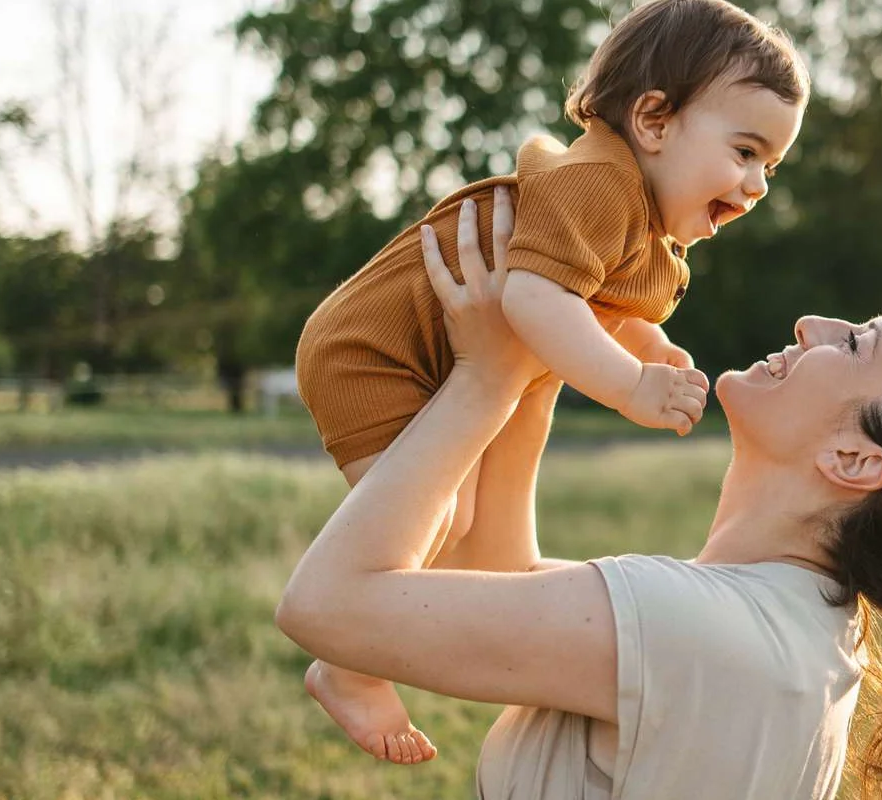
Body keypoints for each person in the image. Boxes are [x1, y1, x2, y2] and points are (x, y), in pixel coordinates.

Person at [276, 193, 882, 797]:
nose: (811, 324)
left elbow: (325, 606)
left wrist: (484, 379)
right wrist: (543, 352)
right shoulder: (785, 624)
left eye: (855, 342)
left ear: (853, 457)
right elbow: (490, 568)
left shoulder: (698, 629)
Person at [291, 0, 809, 759]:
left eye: (770, 164)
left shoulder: (640, 226)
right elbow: (534, 297)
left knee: (457, 520)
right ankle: (346, 665)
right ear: (655, 121)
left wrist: (649, 341)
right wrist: (631, 385)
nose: (758, 182)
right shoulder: (598, 184)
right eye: (745, 150)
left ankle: (354, 655)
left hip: (428, 352)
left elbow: (589, 301)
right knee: (432, 516)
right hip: (375, 349)